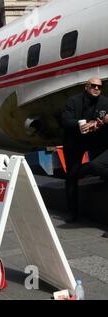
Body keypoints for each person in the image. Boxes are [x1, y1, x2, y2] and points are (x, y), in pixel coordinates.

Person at [61, 77, 108, 223]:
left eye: (99, 87)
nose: (96, 89)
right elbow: (65, 121)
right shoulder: (73, 101)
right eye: (93, 86)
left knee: (102, 169)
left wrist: (98, 123)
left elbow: (104, 119)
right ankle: (72, 213)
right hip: (75, 141)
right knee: (71, 176)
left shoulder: (105, 102)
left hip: (97, 140)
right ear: (86, 87)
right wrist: (80, 125)